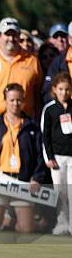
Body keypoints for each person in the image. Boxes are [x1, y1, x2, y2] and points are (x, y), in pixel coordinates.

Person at [0, 83, 46, 233]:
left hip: (22, 182)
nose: (15, 104)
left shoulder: (32, 126)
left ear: (24, 101)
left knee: (27, 229)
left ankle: (10, 221)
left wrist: (37, 177)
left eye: (19, 100)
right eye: (11, 100)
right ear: (5, 101)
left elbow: (40, 155)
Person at [40, 73, 72, 235]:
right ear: (54, 90)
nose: (64, 92)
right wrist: (49, 157)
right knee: (61, 192)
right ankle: (62, 223)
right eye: (60, 89)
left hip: (71, 157)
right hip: (57, 158)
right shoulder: (50, 109)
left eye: (67, 89)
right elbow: (45, 135)